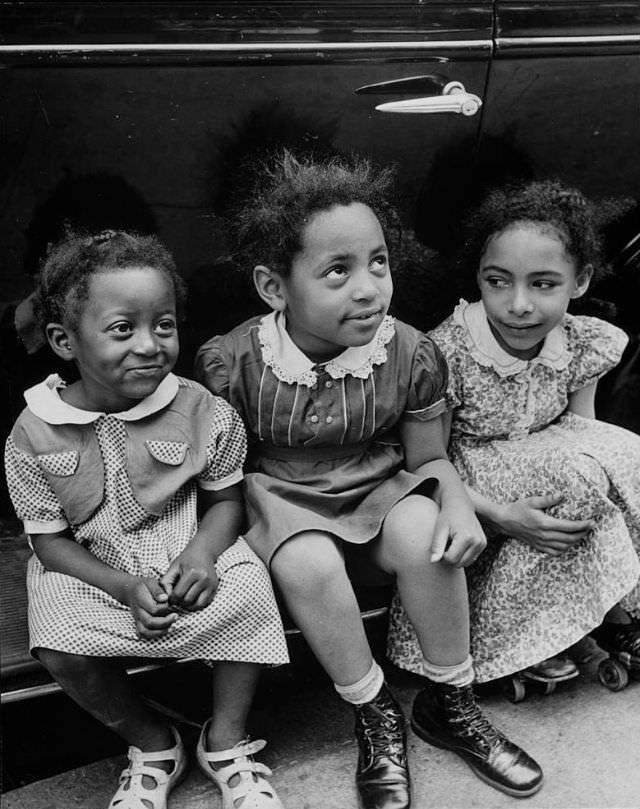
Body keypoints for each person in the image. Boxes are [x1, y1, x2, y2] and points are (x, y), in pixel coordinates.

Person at [195, 151, 543, 808]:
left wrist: (458, 504)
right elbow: (222, 471)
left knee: (424, 531)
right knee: (307, 560)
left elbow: (428, 458)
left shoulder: (407, 351)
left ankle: (450, 702)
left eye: (377, 262)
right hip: (281, 492)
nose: (368, 287)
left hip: (376, 484)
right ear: (274, 288)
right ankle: (373, 708)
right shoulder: (235, 361)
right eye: (337, 271)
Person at [4, 230, 289, 809]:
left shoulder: (199, 408)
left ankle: (226, 740)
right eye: (121, 329)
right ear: (64, 340)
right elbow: (50, 544)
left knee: (251, 587)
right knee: (55, 637)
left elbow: (225, 501)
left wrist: (203, 555)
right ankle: (154, 745)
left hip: (187, 544)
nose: (149, 344)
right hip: (94, 565)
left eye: (164, 324)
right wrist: (123, 586)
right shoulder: (32, 433)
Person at [387, 180, 640, 689]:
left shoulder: (579, 339)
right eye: (498, 282)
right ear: (479, 278)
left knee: (622, 453)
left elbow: (583, 430)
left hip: (542, 464)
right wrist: (501, 517)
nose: (518, 304)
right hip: (466, 481)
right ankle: (523, 639)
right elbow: (424, 461)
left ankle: (609, 611)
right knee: (574, 473)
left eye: (543, 284)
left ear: (581, 280)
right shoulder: (450, 351)